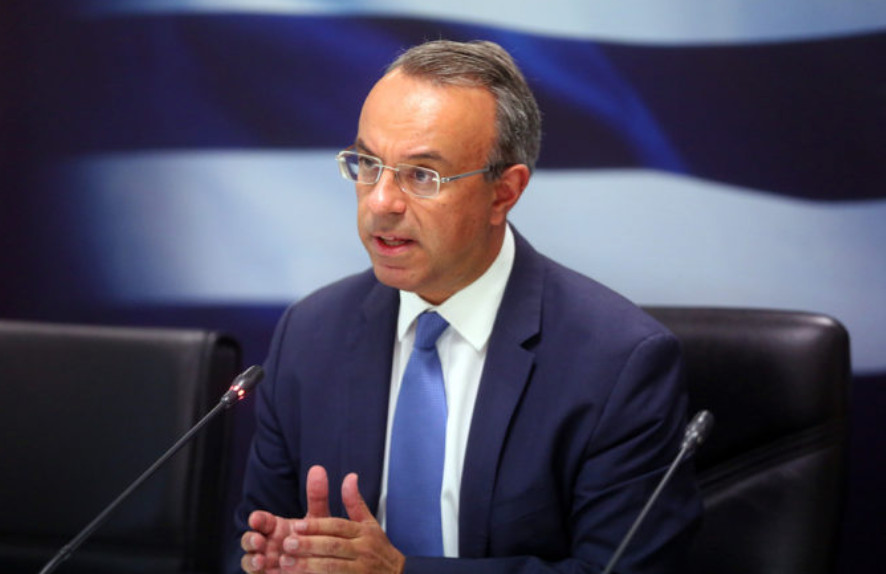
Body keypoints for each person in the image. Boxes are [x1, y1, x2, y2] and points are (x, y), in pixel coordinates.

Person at [231, 39, 701, 574]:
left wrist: (401, 572)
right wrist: (275, 559)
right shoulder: (310, 334)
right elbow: (254, 539)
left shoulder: (617, 363)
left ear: (504, 192)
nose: (381, 201)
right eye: (368, 164)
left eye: (422, 175)